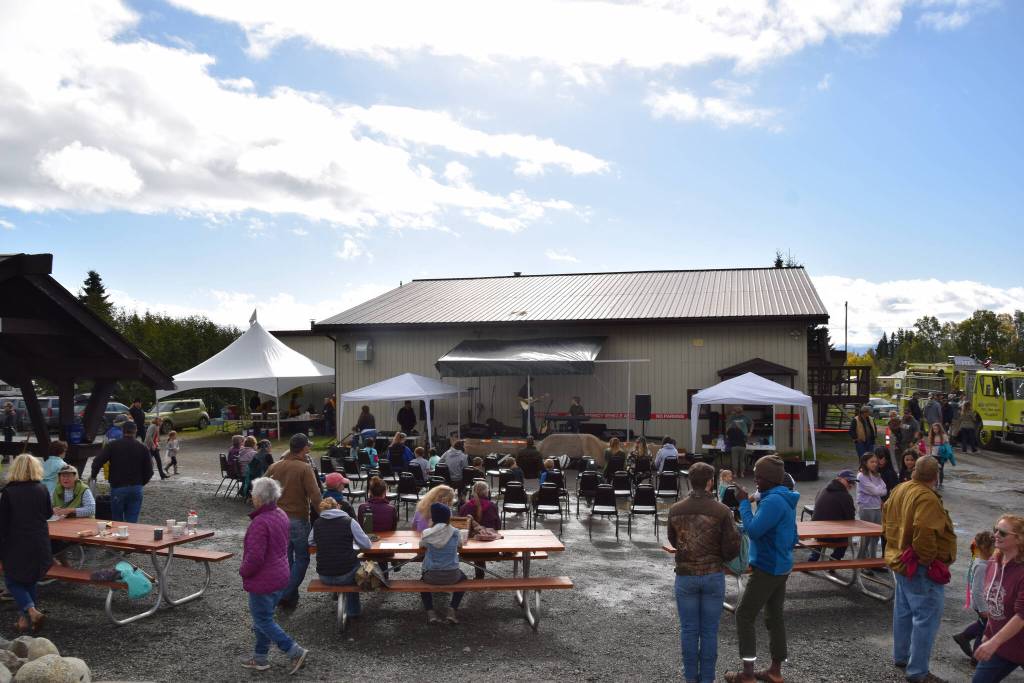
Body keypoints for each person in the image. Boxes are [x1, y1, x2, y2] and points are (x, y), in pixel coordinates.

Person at [724, 455, 799, 683]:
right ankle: (775, 670)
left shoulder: (773, 502)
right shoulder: (782, 497)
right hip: (782, 565)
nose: (756, 480)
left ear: (770, 479)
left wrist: (744, 503)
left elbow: (754, 530)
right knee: (774, 615)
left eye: (758, 477)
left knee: (744, 615)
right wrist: (752, 497)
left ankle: (747, 674)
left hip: (768, 567)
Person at [882, 455, 956, 683]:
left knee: (903, 612)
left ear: (914, 471)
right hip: (918, 565)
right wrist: (927, 560)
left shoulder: (901, 488)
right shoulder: (926, 497)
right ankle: (918, 671)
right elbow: (924, 530)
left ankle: (901, 656)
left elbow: (885, 515)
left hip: (900, 559)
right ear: (936, 476)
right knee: (926, 617)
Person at [668, 462, 741, 683]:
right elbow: (731, 547)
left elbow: (674, 540)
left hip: (686, 575)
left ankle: (691, 678)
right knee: (709, 631)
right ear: (710, 482)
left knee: (689, 630)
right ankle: (707, 678)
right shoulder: (722, 511)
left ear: (691, 481)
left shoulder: (675, 510)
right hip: (712, 575)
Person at [239, 477, 309, 674]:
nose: (251, 495)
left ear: (259, 498)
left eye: (253, 492)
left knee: (262, 619)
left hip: (264, 579)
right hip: (280, 574)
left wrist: (243, 571)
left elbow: (254, 558)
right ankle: (260, 657)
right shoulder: (281, 514)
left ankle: (294, 651)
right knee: (263, 618)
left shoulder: (260, 523)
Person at [265, 433, 322, 610]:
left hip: (277, 520)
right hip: (297, 519)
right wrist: (326, 516)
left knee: (286, 558)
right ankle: (285, 594)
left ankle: (289, 597)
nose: (310, 449)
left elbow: (261, 490)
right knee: (303, 558)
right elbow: (315, 495)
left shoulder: (274, 466)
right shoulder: (305, 468)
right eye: (308, 447)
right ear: (303, 448)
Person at [971, 514, 1024, 681]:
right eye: (995, 530)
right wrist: (988, 632)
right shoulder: (994, 561)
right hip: (1004, 644)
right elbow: (994, 603)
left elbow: (1022, 615)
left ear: (1019, 539)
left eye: (1002, 533)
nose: (995, 535)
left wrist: (994, 642)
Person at [308, 497, 371, 620]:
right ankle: (354, 611)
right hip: (346, 575)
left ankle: (340, 599)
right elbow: (366, 545)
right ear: (338, 506)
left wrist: (323, 542)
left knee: (342, 564)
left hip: (324, 575)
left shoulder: (317, 523)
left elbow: (310, 541)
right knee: (356, 566)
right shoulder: (349, 521)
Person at [89, 421, 153, 523]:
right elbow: (149, 470)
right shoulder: (143, 448)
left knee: (117, 520)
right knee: (132, 519)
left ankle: (118, 537)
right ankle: (130, 536)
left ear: (122, 431)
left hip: (118, 487)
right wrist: (141, 482)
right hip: (136, 487)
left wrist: (93, 475)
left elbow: (97, 461)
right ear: (135, 431)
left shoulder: (113, 446)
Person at [420, 502, 467, 624]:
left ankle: (431, 613)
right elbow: (460, 545)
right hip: (453, 575)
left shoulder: (427, 533)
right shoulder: (456, 532)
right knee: (465, 579)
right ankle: (452, 609)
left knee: (421, 582)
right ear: (448, 517)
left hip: (431, 575)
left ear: (433, 517)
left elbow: (421, 546)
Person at [953, 531, 995, 664]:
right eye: (994, 547)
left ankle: (963, 637)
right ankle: (976, 659)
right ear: (985, 548)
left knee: (982, 624)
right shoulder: (982, 566)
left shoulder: (983, 560)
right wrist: (983, 609)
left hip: (983, 603)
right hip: (981, 604)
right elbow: (977, 590)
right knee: (984, 629)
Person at [807, 469, 856, 562]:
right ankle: (834, 560)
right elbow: (851, 519)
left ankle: (813, 558)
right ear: (839, 479)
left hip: (816, 532)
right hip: (831, 536)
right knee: (846, 539)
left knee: (823, 531)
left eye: (853, 482)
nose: (851, 484)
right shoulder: (845, 496)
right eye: (849, 481)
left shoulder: (823, 489)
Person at [857, 452, 887, 561]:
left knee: (875, 536)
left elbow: (884, 490)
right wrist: (877, 490)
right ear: (865, 462)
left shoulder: (876, 475)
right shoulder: (861, 476)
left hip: (876, 507)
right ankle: (862, 560)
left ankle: (872, 560)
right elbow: (875, 490)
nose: (875, 464)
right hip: (866, 507)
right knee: (866, 537)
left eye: (876, 462)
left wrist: (877, 490)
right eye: (872, 462)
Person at [725, 407, 753, 477]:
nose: (737, 414)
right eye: (736, 412)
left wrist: (750, 432)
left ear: (741, 412)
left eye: (739, 412)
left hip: (741, 439)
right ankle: (741, 473)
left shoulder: (745, 417)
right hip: (742, 441)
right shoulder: (732, 418)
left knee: (736, 460)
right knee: (741, 460)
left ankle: (736, 473)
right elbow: (727, 422)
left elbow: (752, 423)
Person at [928, 423, 952, 487]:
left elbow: (947, 445)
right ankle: (935, 482)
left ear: (940, 429)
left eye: (936, 429)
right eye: (934, 429)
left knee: (941, 469)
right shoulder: (932, 436)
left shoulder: (944, 436)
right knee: (934, 469)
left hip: (941, 455)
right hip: (934, 455)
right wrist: (930, 454)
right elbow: (930, 446)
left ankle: (940, 483)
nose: (935, 430)